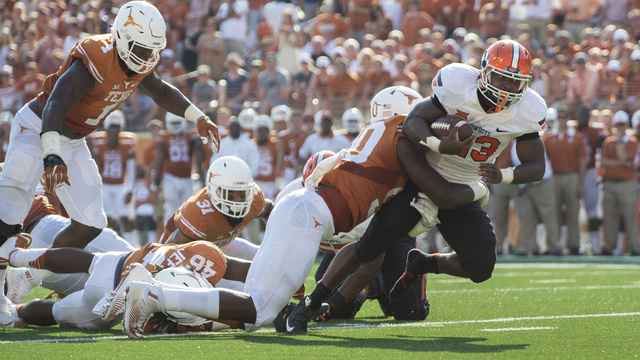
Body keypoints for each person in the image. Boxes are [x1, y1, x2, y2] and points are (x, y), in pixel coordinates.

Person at [101, 86, 486, 339]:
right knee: (259, 310)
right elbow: (440, 189)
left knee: (257, 296)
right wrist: (483, 183)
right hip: (310, 216)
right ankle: (154, 294)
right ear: (404, 117)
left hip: (302, 210)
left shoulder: (379, 140)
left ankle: (162, 304)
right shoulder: (400, 144)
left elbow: (366, 246)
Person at [283, 40, 548, 335]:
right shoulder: (458, 85)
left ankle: (422, 263)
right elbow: (413, 122)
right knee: (367, 248)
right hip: (424, 174)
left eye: (514, 81)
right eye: (501, 77)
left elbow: (536, 165)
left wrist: (504, 175)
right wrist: (439, 145)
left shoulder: (527, 110)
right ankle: (308, 305)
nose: (506, 87)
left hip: (463, 184)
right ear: (484, 72)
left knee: (481, 267)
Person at [0, 2, 220, 263]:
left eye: (152, 49)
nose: (148, 55)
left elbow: (160, 91)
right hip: (39, 126)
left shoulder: (138, 63)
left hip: (73, 139)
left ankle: (28, 276)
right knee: (10, 208)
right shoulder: (96, 56)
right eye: (142, 47)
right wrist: (51, 155)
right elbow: (55, 105)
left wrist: (199, 116)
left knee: (91, 222)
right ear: (123, 38)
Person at [0, 238, 248, 330]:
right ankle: (16, 314)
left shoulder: (208, 255)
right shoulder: (209, 279)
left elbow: (160, 251)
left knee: (89, 260)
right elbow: (240, 317)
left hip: (118, 265)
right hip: (111, 309)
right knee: (56, 313)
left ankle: (14, 255)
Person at [159, 156, 272, 265]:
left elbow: (269, 210)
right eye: (230, 194)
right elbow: (168, 253)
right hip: (188, 250)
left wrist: (275, 241)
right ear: (214, 190)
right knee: (241, 279)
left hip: (218, 239)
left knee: (265, 257)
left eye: (242, 194)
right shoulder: (200, 213)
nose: (237, 201)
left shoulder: (254, 199)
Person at [87, 110, 137, 246]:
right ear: (107, 130)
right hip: (105, 185)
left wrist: (130, 191)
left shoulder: (127, 147)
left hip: (121, 185)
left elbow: (132, 171)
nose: (114, 133)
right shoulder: (98, 146)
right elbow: (96, 168)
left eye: (117, 130)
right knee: (107, 218)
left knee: (126, 217)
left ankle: (131, 245)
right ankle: (110, 246)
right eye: (112, 129)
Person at [542, 105, 586, 255]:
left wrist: (580, 183)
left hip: (571, 176)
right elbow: (544, 161)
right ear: (556, 119)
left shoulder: (576, 136)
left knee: (573, 212)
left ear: (568, 118)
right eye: (559, 117)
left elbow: (582, 161)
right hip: (553, 177)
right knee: (554, 212)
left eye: (564, 116)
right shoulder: (548, 137)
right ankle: (554, 244)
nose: (562, 119)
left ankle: (574, 244)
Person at [599, 111, 640, 256]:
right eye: (617, 125)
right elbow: (603, 162)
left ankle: (635, 247)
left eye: (622, 125)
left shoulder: (632, 141)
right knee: (609, 217)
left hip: (626, 184)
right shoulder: (608, 141)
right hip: (610, 183)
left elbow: (629, 163)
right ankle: (609, 247)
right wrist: (620, 163)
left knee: (630, 217)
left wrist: (617, 144)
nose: (620, 128)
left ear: (627, 125)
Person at [155, 113, 204, 224]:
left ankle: (186, 233)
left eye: (178, 122)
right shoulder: (164, 137)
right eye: (173, 123)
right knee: (171, 207)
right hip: (171, 177)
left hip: (187, 177)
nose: (176, 126)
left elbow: (198, 156)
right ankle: (169, 234)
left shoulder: (191, 135)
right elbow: (159, 159)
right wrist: (157, 179)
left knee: (188, 208)